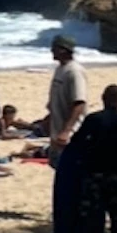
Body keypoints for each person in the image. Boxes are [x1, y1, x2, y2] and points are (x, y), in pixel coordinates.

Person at [68, 85, 117, 233]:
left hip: (95, 171)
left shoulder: (94, 119)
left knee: (90, 211)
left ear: (103, 98)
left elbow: (77, 141)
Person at [46, 35, 88, 164]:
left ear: (63, 50)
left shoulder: (74, 71)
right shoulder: (60, 69)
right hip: (57, 133)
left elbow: (79, 103)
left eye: (54, 47)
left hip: (70, 135)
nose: (51, 50)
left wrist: (66, 131)